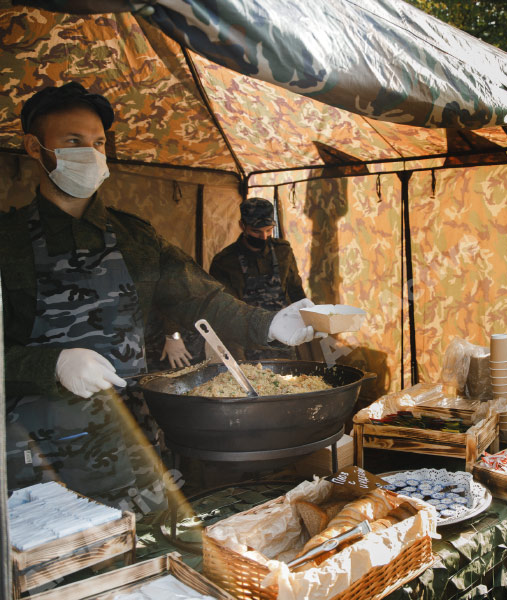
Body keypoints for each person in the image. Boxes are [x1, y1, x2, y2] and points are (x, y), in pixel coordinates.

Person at [1, 82, 319, 509]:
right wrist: (50, 364)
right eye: (72, 142)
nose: (90, 154)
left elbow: (200, 298)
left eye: (97, 143)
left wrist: (268, 324)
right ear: (34, 147)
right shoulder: (10, 242)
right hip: (41, 456)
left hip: (131, 444)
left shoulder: (133, 236)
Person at [209, 197, 306, 360]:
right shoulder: (225, 261)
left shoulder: (283, 251)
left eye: (268, 230)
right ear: (242, 226)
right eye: (256, 231)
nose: (263, 237)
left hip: (282, 335)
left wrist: (309, 316)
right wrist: (236, 356)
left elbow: (295, 290)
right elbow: (226, 310)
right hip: (245, 339)